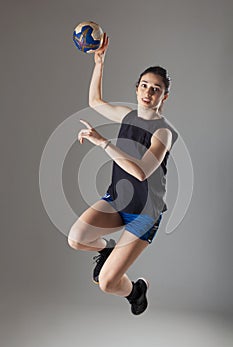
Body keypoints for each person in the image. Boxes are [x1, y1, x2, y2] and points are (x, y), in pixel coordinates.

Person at [68, 34, 178, 315]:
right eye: (144, 85)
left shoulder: (163, 132)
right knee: (77, 238)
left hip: (144, 214)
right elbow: (95, 101)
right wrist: (99, 63)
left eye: (155, 89)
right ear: (137, 88)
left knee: (107, 283)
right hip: (118, 199)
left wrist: (102, 142)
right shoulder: (128, 116)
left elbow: (141, 172)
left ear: (164, 96)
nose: (148, 92)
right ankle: (106, 250)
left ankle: (136, 290)